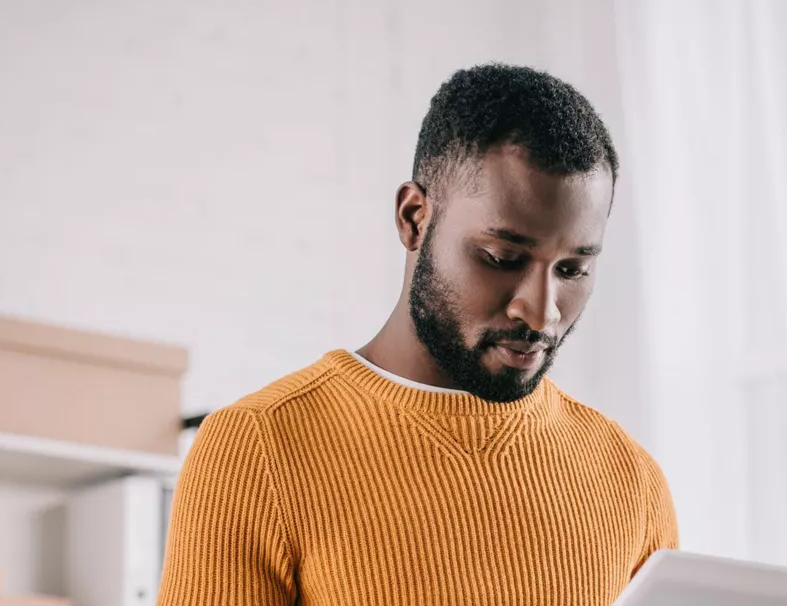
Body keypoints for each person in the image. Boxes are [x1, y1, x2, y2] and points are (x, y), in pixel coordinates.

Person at [156, 64, 678, 605]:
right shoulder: (257, 448)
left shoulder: (630, 480)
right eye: (503, 258)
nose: (541, 313)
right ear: (413, 218)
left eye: (572, 270)